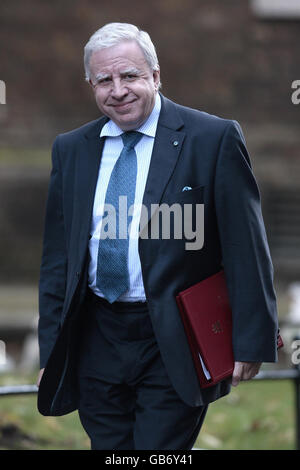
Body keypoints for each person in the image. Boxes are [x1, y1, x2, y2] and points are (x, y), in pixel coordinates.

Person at [37, 22, 279, 450]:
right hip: (96, 337)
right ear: (90, 85)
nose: (118, 90)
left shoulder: (213, 139)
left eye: (129, 76)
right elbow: (59, 260)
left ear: (155, 75)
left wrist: (252, 338)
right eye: (104, 80)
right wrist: (52, 351)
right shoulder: (71, 149)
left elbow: (246, 248)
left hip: (174, 337)